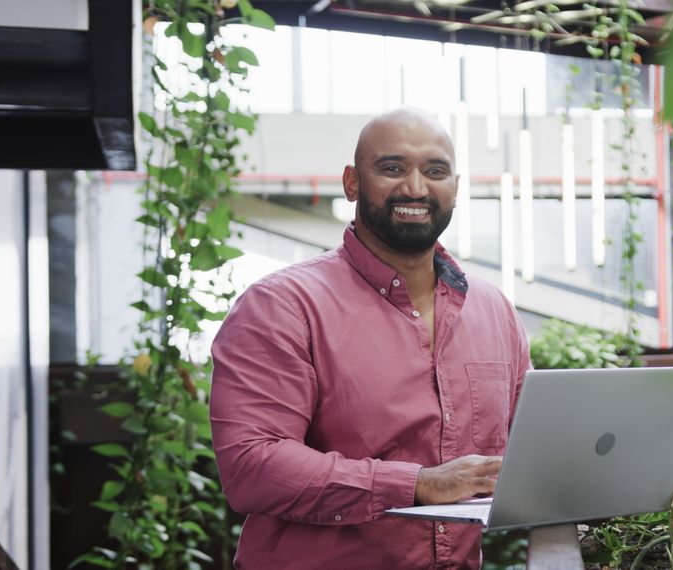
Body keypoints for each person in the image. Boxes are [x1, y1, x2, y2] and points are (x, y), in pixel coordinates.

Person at [209, 107, 531, 569]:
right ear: (352, 182)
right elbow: (251, 467)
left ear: (456, 188)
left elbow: (527, 450)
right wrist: (418, 484)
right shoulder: (281, 305)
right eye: (392, 168)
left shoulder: (494, 311)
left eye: (434, 171)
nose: (416, 188)